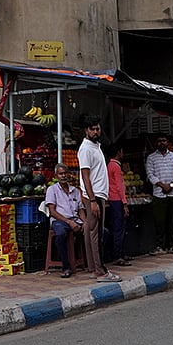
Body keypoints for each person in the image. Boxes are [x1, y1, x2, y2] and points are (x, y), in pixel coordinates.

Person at [77, 115, 120, 282]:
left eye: (97, 128)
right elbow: (85, 176)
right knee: (96, 234)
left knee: (92, 232)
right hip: (93, 197)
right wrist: (93, 200)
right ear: (86, 131)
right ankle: (101, 271)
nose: (96, 132)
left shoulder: (96, 147)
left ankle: (94, 268)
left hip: (99, 195)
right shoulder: (86, 149)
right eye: (92, 129)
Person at [44, 164, 86, 278]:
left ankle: (91, 264)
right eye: (61, 174)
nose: (63, 176)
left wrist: (85, 223)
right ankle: (66, 267)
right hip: (60, 221)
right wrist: (69, 222)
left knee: (100, 232)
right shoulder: (52, 190)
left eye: (65, 173)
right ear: (56, 176)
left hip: (76, 220)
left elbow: (81, 209)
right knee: (61, 233)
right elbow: (52, 212)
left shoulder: (75, 191)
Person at [145, 133, 173, 255]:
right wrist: (162, 185)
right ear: (156, 143)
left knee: (172, 221)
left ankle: (172, 245)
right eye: (159, 141)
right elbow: (150, 175)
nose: (162, 142)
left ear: (167, 142)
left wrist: (171, 185)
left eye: (164, 140)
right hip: (159, 194)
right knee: (159, 221)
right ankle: (160, 246)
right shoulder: (151, 158)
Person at [103, 142, 130, 267]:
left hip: (112, 199)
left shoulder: (109, 165)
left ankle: (119, 253)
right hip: (117, 200)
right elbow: (120, 186)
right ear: (119, 152)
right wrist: (124, 203)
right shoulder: (116, 167)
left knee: (116, 227)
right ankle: (118, 255)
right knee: (119, 228)